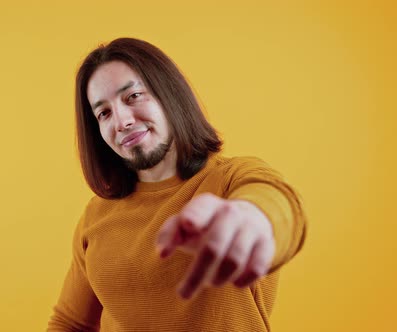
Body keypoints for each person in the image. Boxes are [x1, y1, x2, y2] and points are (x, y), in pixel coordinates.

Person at [47, 37, 306, 332]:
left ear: (169, 95)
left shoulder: (231, 178)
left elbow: (280, 206)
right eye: (103, 112)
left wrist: (252, 218)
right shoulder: (95, 216)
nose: (121, 121)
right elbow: (71, 323)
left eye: (133, 96)